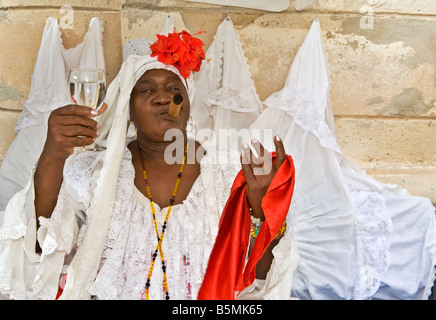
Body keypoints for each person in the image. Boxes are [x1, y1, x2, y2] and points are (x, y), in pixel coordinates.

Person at [0, 30, 298, 300]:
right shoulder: (93, 174)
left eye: (173, 90)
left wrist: (263, 212)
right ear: (128, 108)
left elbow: (258, 285)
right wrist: (53, 154)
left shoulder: (226, 175)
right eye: (146, 90)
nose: (162, 98)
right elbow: (39, 253)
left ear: (188, 105)